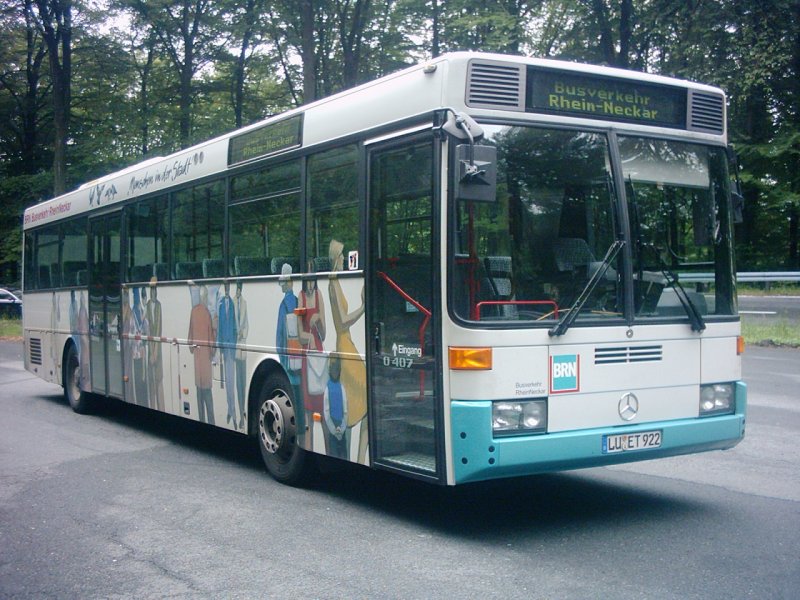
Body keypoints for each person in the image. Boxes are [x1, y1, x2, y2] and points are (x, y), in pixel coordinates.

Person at [328, 239, 368, 463]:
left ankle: (361, 458)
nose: (344, 259)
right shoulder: (332, 284)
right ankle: (359, 458)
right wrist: (363, 306)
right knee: (363, 396)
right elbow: (342, 322)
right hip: (343, 344)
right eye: (342, 256)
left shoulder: (336, 282)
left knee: (365, 401)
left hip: (347, 343)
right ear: (335, 258)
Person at [298, 265, 326, 451]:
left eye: (312, 279)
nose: (309, 283)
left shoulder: (319, 296)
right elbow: (300, 335)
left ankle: (326, 449)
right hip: (307, 354)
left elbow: (324, 334)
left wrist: (318, 321)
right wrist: (310, 338)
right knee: (308, 410)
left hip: (318, 353)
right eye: (307, 279)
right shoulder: (300, 296)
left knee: (321, 408)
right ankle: (308, 448)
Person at [188, 285, 215, 424]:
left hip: (197, 363)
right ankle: (211, 421)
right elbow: (211, 340)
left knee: (199, 393)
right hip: (205, 364)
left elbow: (189, 340)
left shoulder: (194, 311)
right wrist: (212, 353)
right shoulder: (207, 314)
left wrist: (193, 349)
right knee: (207, 394)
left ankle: (201, 420)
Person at [217, 280, 238, 428]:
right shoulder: (220, 306)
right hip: (225, 347)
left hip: (231, 347)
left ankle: (232, 410)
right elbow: (219, 328)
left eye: (227, 287)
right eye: (225, 287)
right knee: (226, 382)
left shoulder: (232, 304)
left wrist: (235, 344)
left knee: (231, 382)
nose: (226, 290)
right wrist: (219, 346)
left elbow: (235, 326)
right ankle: (230, 410)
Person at [146, 277, 164, 412]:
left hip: (157, 347)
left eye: (155, 290)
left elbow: (158, 328)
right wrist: (151, 352)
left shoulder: (158, 305)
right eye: (151, 290)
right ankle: (152, 407)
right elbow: (147, 329)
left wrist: (156, 351)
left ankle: (160, 407)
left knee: (158, 379)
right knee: (151, 380)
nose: (153, 293)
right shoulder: (147, 305)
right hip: (149, 347)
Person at [234, 280, 248, 430]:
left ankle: (244, 413)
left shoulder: (244, 303)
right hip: (234, 348)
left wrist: (243, 334)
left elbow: (247, 323)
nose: (238, 292)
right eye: (237, 289)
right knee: (238, 384)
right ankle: (239, 414)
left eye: (239, 289)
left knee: (244, 383)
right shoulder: (231, 303)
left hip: (242, 346)